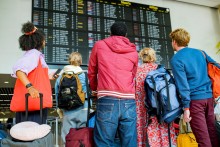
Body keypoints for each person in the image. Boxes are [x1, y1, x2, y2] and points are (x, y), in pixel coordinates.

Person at [88, 22, 138, 147]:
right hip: (129, 100)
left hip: (107, 99)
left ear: (110, 33)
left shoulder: (99, 45)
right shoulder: (133, 51)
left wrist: (95, 89)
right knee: (129, 142)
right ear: (125, 35)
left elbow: (92, 71)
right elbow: (133, 75)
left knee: (104, 142)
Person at [170, 28, 219, 147]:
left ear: (175, 42)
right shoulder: (200, 52)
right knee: (213, 134)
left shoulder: (176, 59)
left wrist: (186, 109)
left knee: (203, 139)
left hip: (195, 101)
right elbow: (217, 66)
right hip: (209, 98)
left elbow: (183, 85)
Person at [11, 21, 53, 124]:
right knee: (33, 137)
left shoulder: (33, 55)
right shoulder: (33, 54)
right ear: (40, 40)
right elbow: (19, 70)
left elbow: (33, 73)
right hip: (33, 105)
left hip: (32, 105)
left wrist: (48, 77)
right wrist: (30, 86)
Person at [135, 47, 177, 147]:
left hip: (142, 108)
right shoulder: (161, 70)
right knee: (162, 128)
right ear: (153, 56)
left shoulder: (137, 71)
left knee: (142, 130)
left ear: (141, 57)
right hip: (161, 108)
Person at [55, 52, 87, 144]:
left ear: (69, 61)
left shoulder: (61, 77)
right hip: (83, 110)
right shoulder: (84, 76)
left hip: (67, 110)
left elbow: (57, 94)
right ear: (80, 62)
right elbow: (88, 93)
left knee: (67, 137)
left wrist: (59, 109)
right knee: (83, 137)